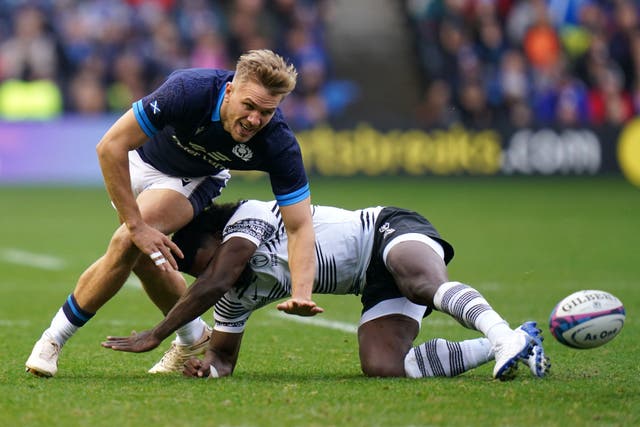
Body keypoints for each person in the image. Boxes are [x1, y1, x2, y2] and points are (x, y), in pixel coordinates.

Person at [25, 49, 321, 378]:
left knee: (127, 242)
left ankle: (52, 339)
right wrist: (137, 224)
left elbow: (299, 224)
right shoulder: (189, 90)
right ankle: (194, 335)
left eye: (266, 112)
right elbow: (109, 147)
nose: (254, 120)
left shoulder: (278, 142)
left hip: (196, 178)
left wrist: (302, 294)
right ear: (230, 90)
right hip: (137, 162)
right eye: (249, 107)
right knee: (142, 254)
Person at [102, 199, 550, 380]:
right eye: (198, 275)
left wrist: (156, 334)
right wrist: (209, 370)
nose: (208, 277)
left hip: (388, 231)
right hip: (370, 284)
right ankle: (513, 345)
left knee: (421, 285)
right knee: (383, 366)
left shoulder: (250, 218)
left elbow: (216, 277)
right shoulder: (234, 291)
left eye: (200, 262)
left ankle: (501, 334)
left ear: (215, 239)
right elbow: (223, 355)